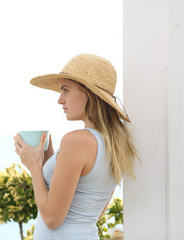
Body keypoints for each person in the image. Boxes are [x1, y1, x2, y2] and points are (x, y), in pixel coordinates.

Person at [13, 53, 141, 239]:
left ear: (88, 94)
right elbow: (90, 211)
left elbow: (51, 219)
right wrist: (48, 161)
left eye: (65, 90)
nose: (60, 100)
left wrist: (33, 165)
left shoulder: (76, 141)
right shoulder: (115, 142)